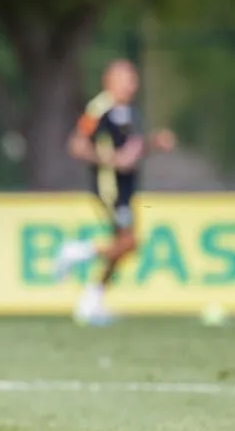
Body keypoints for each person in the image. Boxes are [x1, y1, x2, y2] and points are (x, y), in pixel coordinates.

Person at [55, 59, 177, 325]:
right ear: (109, 80)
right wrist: (111, 160)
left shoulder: (130, 111)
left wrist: (154, 142)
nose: (132, 84)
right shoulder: (99, 108)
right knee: (129, 242)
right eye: (126, 78)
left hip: (126, 187)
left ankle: (91, 302)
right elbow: (76, 145)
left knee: (124, 246)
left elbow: (131, 150)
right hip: (109, 186)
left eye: (134, 78)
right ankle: (75, 253)